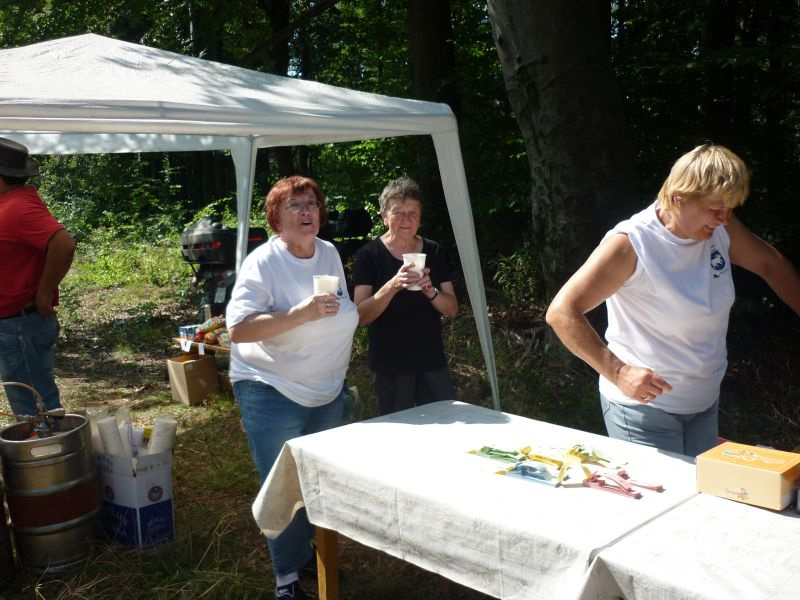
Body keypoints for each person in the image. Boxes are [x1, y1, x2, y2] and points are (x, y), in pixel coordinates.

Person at [546, 143, 800, 457]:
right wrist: (618, 372)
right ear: (679, 198)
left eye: (731, 210)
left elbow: (770, 265)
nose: (724, 219)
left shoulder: (721, 228)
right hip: (644, 412)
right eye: (716, 209)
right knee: (661, 491)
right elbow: (562, 312)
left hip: (703, 404)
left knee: (703, 488)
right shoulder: (631, 245)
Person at [226, 175, 358, 600]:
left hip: (327, 390)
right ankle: (287, 580)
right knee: (283, 485)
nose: (306, 212)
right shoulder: (263, 262)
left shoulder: (329, 253)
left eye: (312, 204)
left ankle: (315, 560)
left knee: (318, 480)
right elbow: (239, 330)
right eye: (295, 206)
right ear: (276, 219)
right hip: (272, 389)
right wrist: (300, 313)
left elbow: (339, 309)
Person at [352, 176, 458, 415]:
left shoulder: (433, 251)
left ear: (420, 218)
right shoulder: (369, 255)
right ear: (384, 216)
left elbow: (452, 309)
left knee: (445, 423)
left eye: (413, 213)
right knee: (400, 431)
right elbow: (360, 316)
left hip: (431, 360)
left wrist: (431, 291)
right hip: (391, 364)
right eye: (398, 213)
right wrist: (393, 285)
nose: (406, 220)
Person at [0, 137, 76, 417]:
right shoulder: (11, 203)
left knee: (34, 409)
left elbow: (64, 243)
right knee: (31, 405)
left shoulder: (19, 208)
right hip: (15, 325)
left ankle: (48, 445)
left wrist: (45, 291)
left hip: (21, 325)